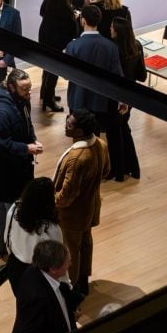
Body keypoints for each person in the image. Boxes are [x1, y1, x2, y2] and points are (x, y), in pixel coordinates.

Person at [0, 69, 43, 256]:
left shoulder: (20, 102)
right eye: (24, 89)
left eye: (29, 88)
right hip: (5, 172)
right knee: (9, 210)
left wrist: (32, 140)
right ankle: (9, 248)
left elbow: (27, 125)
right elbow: (1, 144)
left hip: (15, 169)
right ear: (11, 87)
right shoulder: (0, 112)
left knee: (3, 208)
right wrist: (27, 148)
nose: (29, 93)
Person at [54, 109, 110, 295]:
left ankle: (72, 288)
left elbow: (65, 197)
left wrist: (49, 199)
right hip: (91, 207)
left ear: (79, 132)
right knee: (86, 244)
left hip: (73, 215)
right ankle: (83, 282)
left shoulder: (77, 158)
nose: (65, 125)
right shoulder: (100, 144)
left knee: (71, 252)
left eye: (69, 124)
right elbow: (106, 171)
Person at [6, 240, 77, 333]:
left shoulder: (36, 271)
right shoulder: (35, 296)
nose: (70, 265)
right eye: (67, 262)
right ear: (53, 269)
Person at [65, 5, 127, 138]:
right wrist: (122, 100)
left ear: (83, 21)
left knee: (78, 139)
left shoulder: (73, 46)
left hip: (77, 100)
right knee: (95, 139)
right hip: (100, 102)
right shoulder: (110, 47)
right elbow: (117, 76)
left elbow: (66, 75)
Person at [3, 177, 64, 296]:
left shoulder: (15, 209)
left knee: (23, 305)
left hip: (15, 266)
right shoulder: (51, 228)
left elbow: (7, 237)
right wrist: (66, 285)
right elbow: (59, 259)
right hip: (39, 275)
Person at [110, 18, 146, 181]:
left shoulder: (113, 50)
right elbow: (142, 76)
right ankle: (132, 168)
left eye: (111, 27)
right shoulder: (137, 46)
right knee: (124, 129)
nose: (109, 29)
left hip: (115, 98)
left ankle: (119, 172)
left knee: (116, 134)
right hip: (130, 96)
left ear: (116, 31)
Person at [38, 0, 78, 112]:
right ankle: (49, 100)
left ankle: (45, 93)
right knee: (54, 70)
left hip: (44, 35)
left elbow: (42, 12)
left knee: (46, 66)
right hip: (56, 41)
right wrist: (75, 17)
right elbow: (73, 28)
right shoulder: (64, 6)